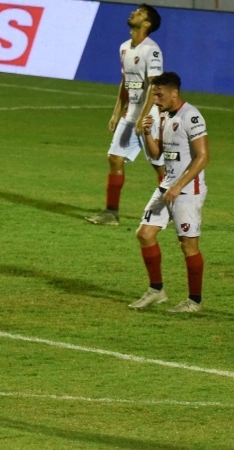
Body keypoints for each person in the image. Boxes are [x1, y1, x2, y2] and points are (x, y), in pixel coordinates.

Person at [128, 72, 208, 313]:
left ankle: (194, 301)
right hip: (167, 185)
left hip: (188, 190)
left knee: (188, 245)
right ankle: (156, 290)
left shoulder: (191, 116)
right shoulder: (163, 116)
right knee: (145, 234)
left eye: (159, 95)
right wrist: (147, 133)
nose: (155, 100)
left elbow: (203, 156)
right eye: (153, 94)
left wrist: (179, 185)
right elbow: (157, 154)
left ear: (174, 93)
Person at [86, 4, 165, 226]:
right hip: (130, 115)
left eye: (139, 13)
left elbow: (154, 86)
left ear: (147, 23)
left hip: (150, 117)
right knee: (114, 158)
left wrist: (143, 117)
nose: (133, 13)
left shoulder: (152, 50)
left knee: (159, 165)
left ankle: (172, 208)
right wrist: (116, 113)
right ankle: (111, 213)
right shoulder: (124, 47)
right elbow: (126, 82)